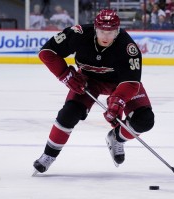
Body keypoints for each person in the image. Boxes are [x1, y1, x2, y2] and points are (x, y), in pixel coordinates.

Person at [33, 9, 155, 173]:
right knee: (68, 114)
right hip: (88, 81)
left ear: (117, 31)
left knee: (145, 120)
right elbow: (47, 52)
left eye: (111, 32)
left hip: (120, 84)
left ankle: (117, 138)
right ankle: (48, 156)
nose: (106, 36)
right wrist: (64, 74)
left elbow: (132, 82)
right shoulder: (79, 34)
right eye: (102, 31)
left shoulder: (128, 47)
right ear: (95, 29)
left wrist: (118, 100)